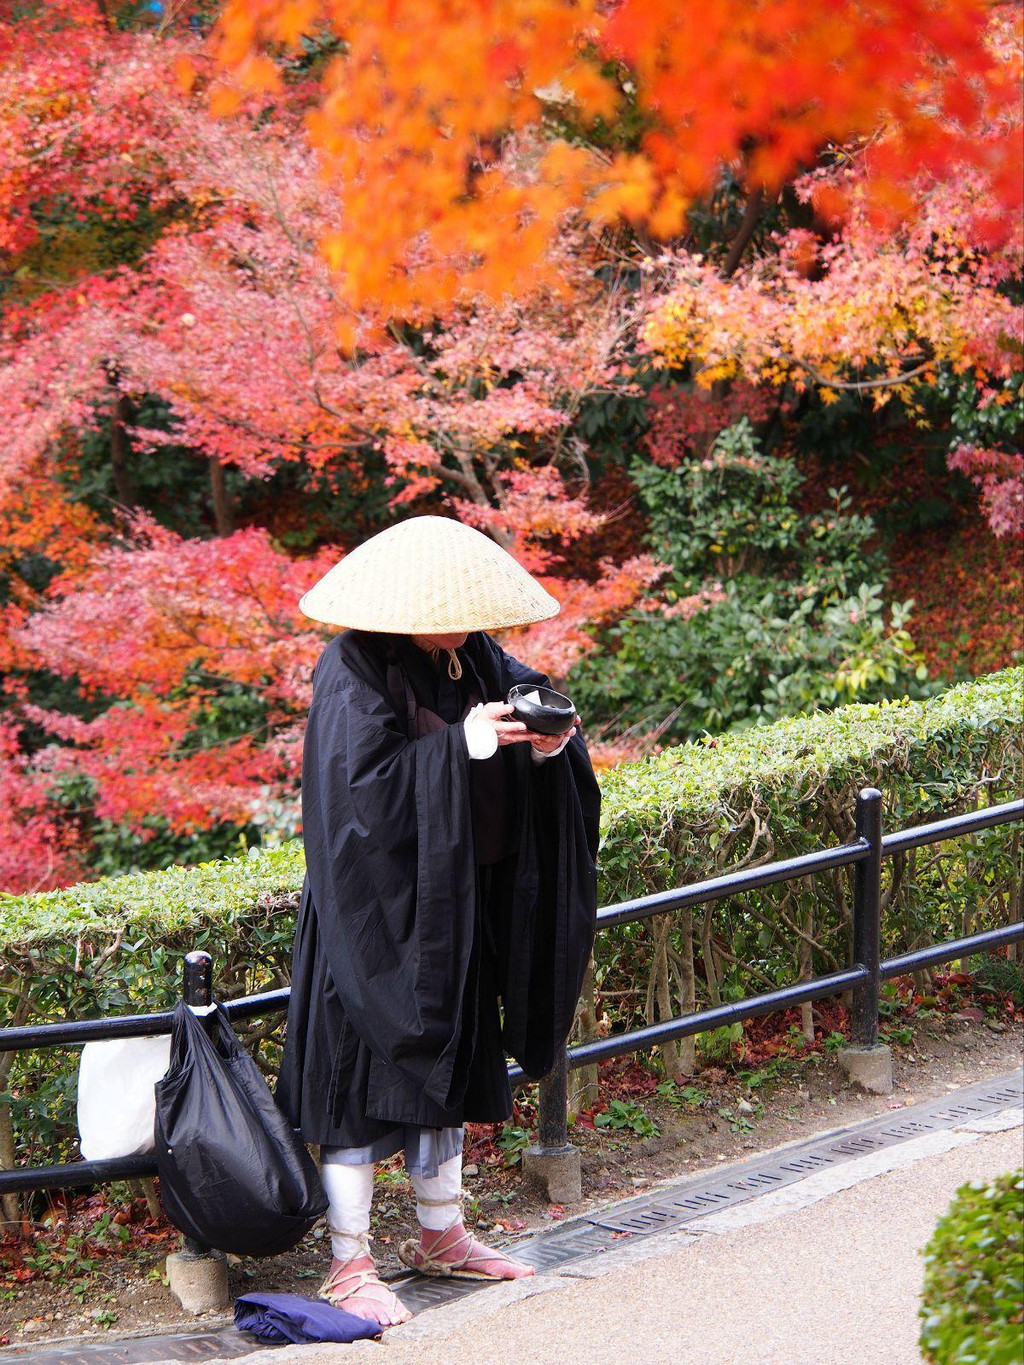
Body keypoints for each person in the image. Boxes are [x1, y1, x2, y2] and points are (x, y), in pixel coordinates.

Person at [276, 516, 600, 1329]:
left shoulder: (474, 652)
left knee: (445, 1071)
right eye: (450, 609)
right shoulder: (352, 668)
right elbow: (361, 797)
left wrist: (547, 740)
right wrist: (461, 743)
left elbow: (527, 701)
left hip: (452, 908)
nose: (467, 622)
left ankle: (441, 1232)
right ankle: (350, 1260)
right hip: (372, 920)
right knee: (358, 1084)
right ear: (406, 606)